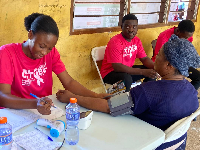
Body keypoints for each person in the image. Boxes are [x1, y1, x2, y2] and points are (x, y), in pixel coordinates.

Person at [56, 34, 200, 149]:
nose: (155, 58)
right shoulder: (192, 91)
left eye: (159, 55)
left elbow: (108, 107)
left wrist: (73, 98)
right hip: (176, 145)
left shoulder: (149, 92)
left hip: (148, 143)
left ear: (168, 65)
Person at [0, 13, 109, 115]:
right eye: (41, 46)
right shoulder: (7, 53)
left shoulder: (51, 53)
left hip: (43, 111)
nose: (44, 52)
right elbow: (3, 97)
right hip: (14, 113)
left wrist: (96, 96)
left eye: (49, 48)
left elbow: (69, 82)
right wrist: (35, 103)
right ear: (30, 34)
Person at [100, 14, 158, 92]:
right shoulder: (115, 41)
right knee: (126, 79)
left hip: (127, 70)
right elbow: (117, 67)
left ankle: (143, 95)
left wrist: (157, 68)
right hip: (110, 73)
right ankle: (124, 102)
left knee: (152, 72)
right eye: (127, 27)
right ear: (121, 27)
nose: (131, 30)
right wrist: (142, 72)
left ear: (137, 28)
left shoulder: (136, 40)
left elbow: (144, 58)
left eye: (134, 27)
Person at [152, 19, 200, 90]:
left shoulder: (188, 36)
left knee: (198, 77)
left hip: (180, 64)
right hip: (165, 64)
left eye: (188, 38)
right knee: (173, 82)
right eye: (185, 37)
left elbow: (185, 54)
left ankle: (185, 95)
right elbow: (159, 57)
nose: (186, 40)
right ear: (177, 31)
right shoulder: (164, 37)